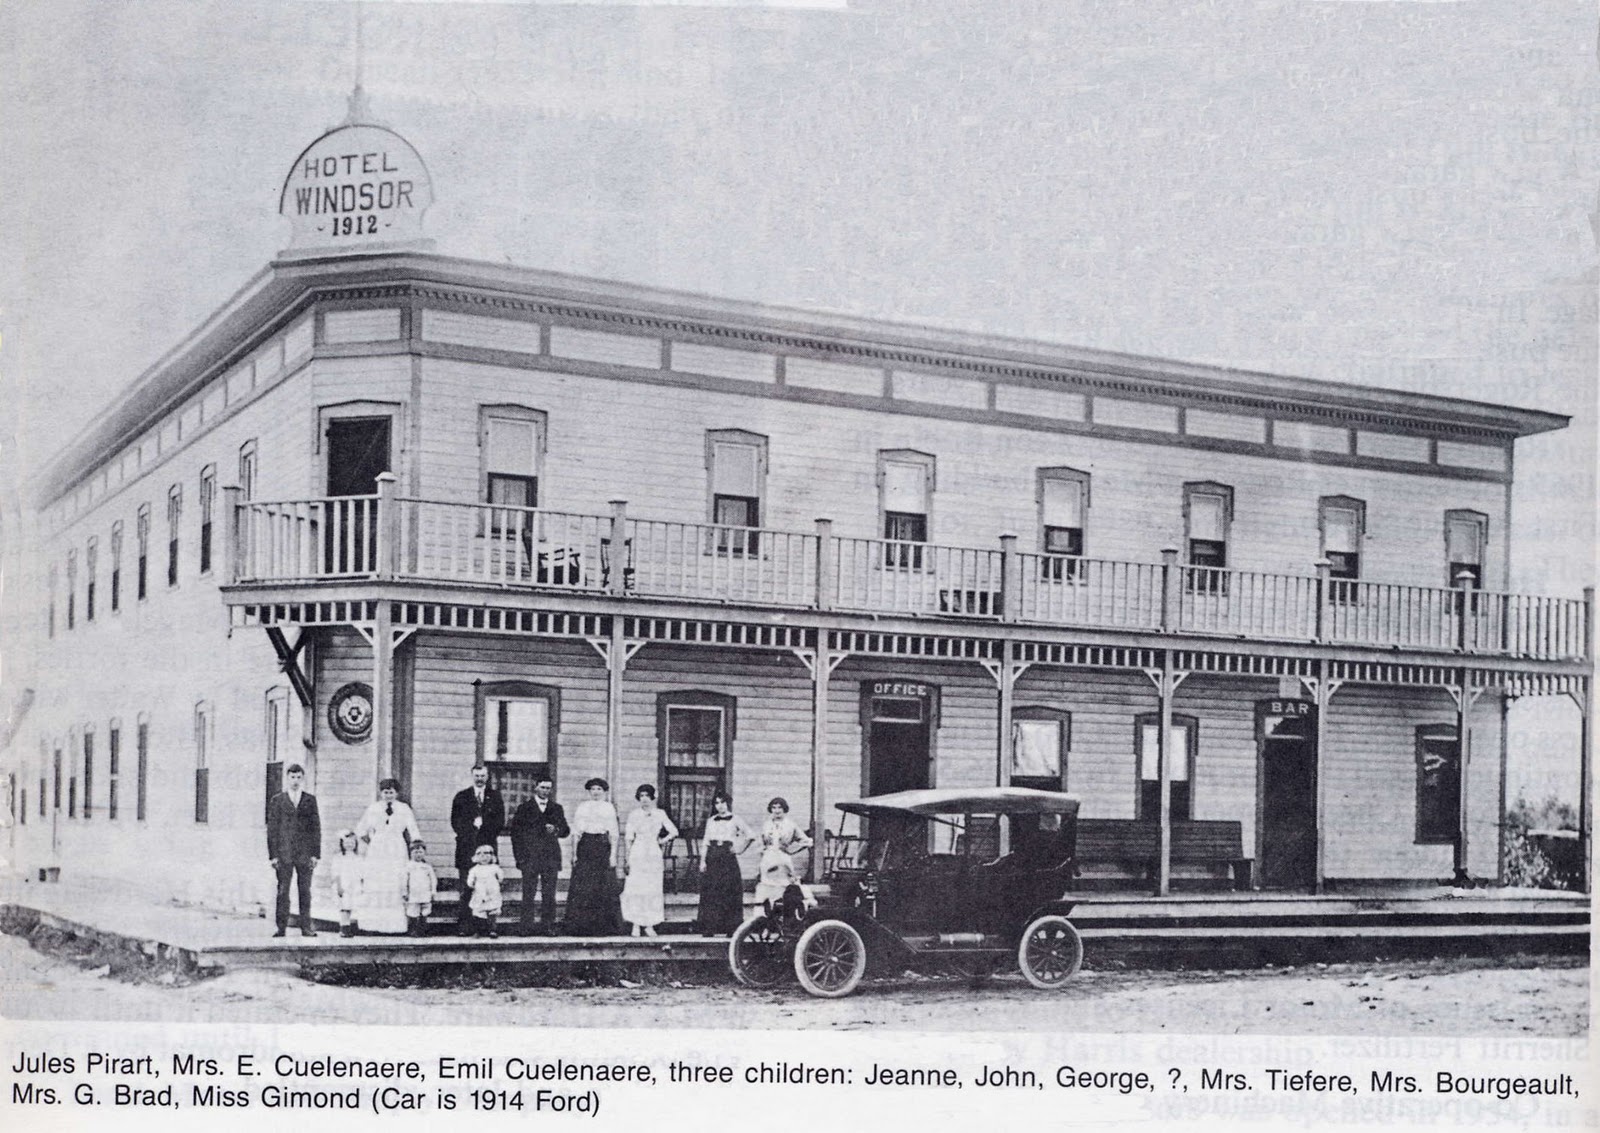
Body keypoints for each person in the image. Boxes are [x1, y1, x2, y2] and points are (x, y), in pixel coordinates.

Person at [354, 778, 420, 935]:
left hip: (397, 847)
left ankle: (394, 925)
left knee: (395, 881)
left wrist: (415, 845)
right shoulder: (374, 808)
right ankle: (373, 925)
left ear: (396, 793)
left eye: (391, 792)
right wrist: (373, 842)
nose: (388, 795)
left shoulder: (404, 809)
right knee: (377, 882)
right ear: (380, 793)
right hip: (378, 849)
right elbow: (361, 830)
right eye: (385, 792)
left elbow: (413, 830)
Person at [266, 764, 321, 938]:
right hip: (284, 853)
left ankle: (306, 927)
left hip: (304, 853)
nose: (295, 781)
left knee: (305, 890)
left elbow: (316, 828)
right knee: (283, 890)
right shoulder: (278, 800)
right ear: (287, 778)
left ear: (303, 779)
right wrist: (273, 855)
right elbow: (272, 829)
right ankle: (281, 927)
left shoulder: (310, 800)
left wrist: (315, 854)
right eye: (292, 777)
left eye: (298, 777)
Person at [509, 776, 569, 935]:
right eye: (543, 787)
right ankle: (526, 926)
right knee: (528, 892)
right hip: (530, 857)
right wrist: (519, 858)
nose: (545, 791)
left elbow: (565, 830)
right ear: (536, 787)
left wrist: (555, 829)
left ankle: (548, 926)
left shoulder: (556, 808)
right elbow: (516, 835)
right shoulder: (524, 808)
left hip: (550, 857)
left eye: (548, 788)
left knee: (549, 894)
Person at [563, 777, 621, 936]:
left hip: (602, 847)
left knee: (602, 885)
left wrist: (613, 855)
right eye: (593, 789)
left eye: (599, 789)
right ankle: (580, 926)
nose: (596, 792)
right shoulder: (583, 807)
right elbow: (576, 832)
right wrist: (574, 853)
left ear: (604, 791)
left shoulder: (609, 808)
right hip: (586, 847)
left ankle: (603, 927)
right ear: (589, 791)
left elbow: (614, 834)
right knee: (583, 885)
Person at [450, 765, 505, 931]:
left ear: (487, 777)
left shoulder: (495, 797)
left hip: (487, 850)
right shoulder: (462, 797)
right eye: (476, 776)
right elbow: (455, 822)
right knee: (467, 888)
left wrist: (484, 827)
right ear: (472, 776)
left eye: (482, 776)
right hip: (467, 849)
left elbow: (500, 822)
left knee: (489, 890)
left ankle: (487, 927)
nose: (479, 778)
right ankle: (465, 925)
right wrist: (471, 827)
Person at [620, 784, 679, 937]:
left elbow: (674, 831)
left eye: (647, 796)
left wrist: (661, 841)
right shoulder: (634, 814)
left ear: (653, 797)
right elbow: (628, 838)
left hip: (653, 852)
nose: (644, 799)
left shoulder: (660, 814)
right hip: (637, 852)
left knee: (652, 888)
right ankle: (636, 924)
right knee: (636, 887)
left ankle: (649, 924)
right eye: (641, 796)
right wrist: (627, 858)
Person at [697, 791, 754, 936]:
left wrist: (740, 849)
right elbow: (706, 842)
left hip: (727, 858)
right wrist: (703, 861)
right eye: (717, 803)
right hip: (712, 857)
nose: (720, 806)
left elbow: (751, 835)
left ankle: (730, 928)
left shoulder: (736, 819)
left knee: (729, 892)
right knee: (712, 892)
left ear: (728, 803)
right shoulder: (711, 820)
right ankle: (710, 928)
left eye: (722, 802)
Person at [754, 796, 813, 907]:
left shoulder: (790, 825)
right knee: (767, 885)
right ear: (770, 809)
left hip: (783, 858)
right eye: (774, 807)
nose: (777, 810)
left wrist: (791, 850)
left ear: (784, 809)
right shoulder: (766, 824)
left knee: (783, 885)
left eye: (779, 807)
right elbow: (760, 842)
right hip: (768, 858)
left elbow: (807, 841)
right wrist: (763, 850)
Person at [465, 843, 504, 937]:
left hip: (492, 892)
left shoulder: (494, 867)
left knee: (492, 912)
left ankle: (492, 930)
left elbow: (501, 876)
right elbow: (470, 879)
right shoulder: (474, 869)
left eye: (487, 854)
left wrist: (499, 880)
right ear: (476, 857)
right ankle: (479, 931)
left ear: (492, 856)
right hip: (480, 892)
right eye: (480, 855)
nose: (484, 857)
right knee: (479, 912)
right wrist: (471, 884)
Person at [330, 829, 362, 938]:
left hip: (354, 885)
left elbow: (360, 872)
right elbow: (336, 873)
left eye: (352, 843)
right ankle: (343, 928)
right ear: (342, 844)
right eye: (347, 843)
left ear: (356, 844)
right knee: (344, 907)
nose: (349, 845)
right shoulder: (339, 857)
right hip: (343, 884)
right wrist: (339, 886)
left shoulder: (358, 858)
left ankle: (347, 927)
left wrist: (361, 885)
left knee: (350, 907)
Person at [404, 841, 438, 937]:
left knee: (425, 910)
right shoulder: (408, 866)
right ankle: (413, 930)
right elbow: (404, 880)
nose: (418, 855)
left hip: (425, 893)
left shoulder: (427, 867)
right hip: (413, 893)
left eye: (420, 852)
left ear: (424, 853)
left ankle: (423, 930)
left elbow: (433, 880)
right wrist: (405, 892)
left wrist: (433, 891)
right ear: (411, 853)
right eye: (416, 852)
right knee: (413, 911)